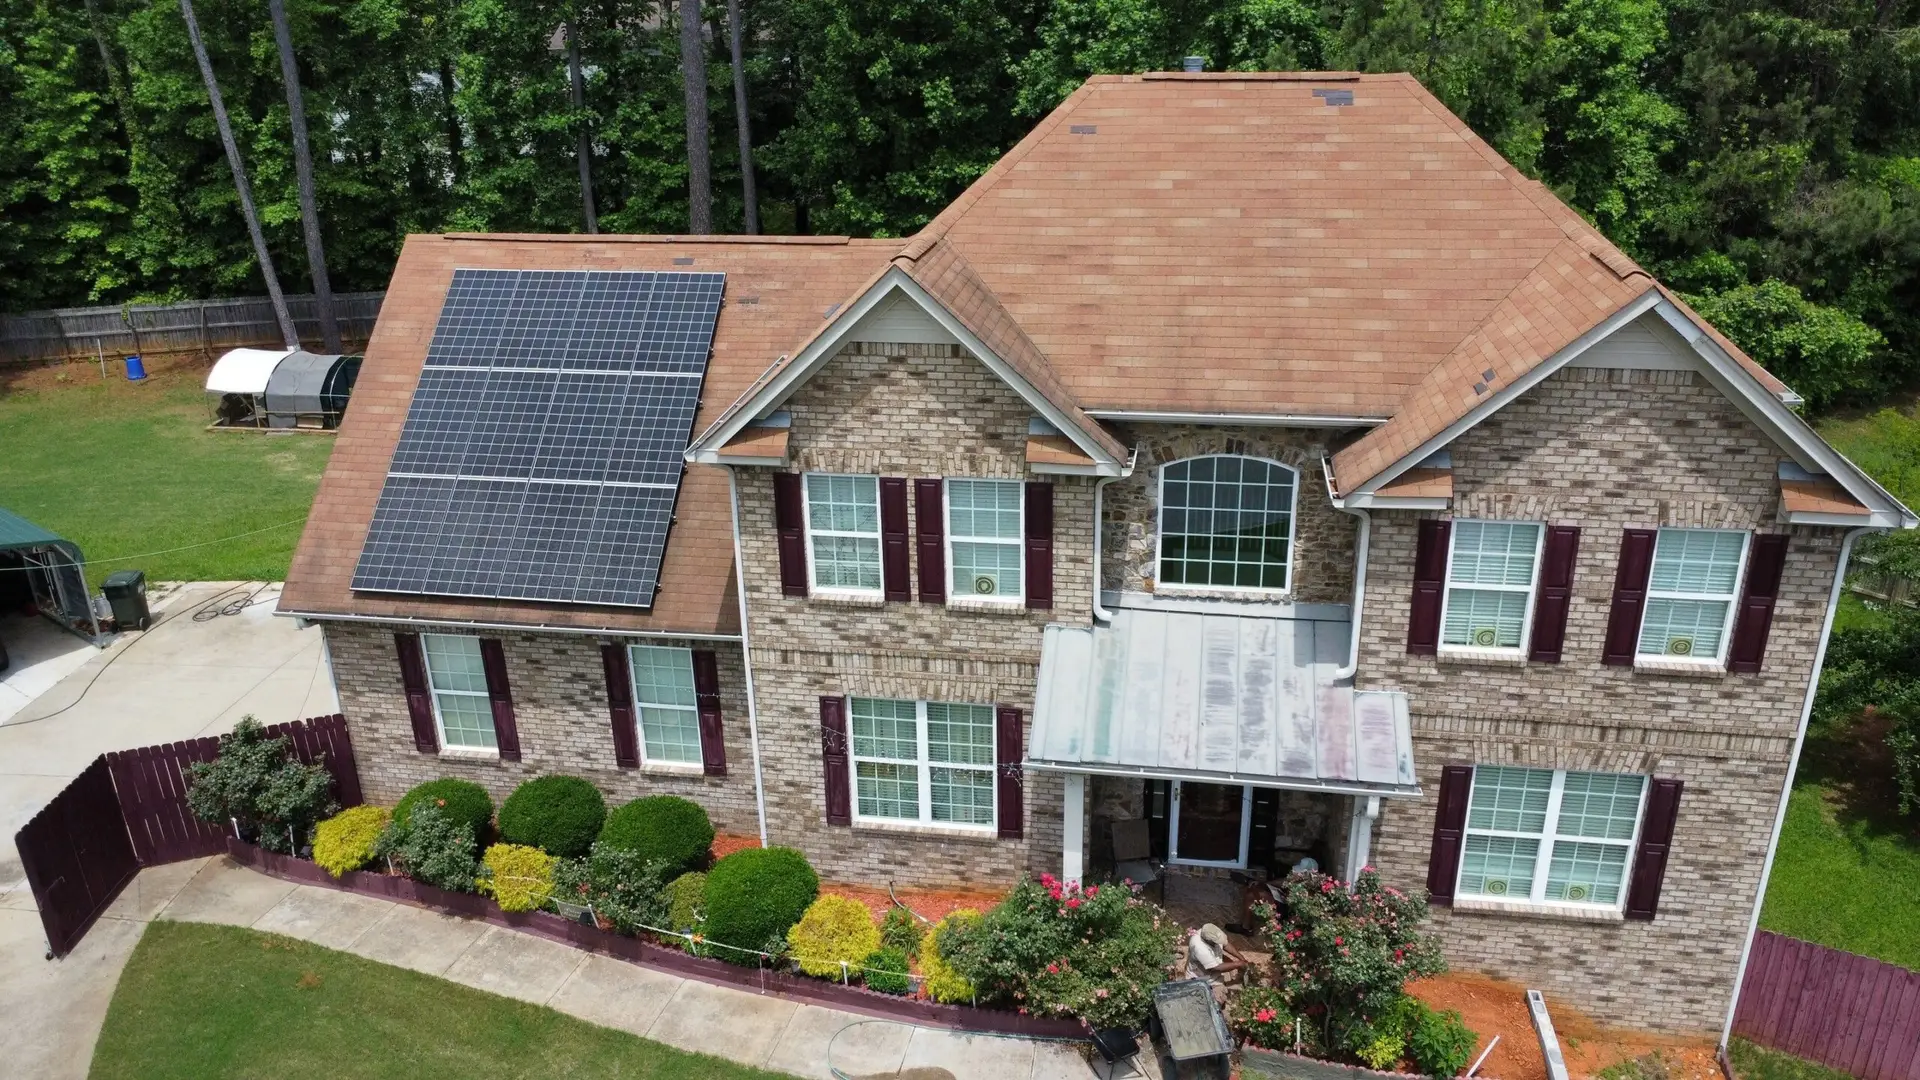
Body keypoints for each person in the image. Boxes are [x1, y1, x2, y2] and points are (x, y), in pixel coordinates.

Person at [1185, 923, 1248, 1003]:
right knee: (1218, 1002)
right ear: (1209, 941)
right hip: (1202, 977)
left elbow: (1226, 944)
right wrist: (1238, 964)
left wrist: (1241, 957)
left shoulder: (1210, 931)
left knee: (1231, 964)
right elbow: (1217, 968)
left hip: (1212, 965)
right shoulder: (1199, 947)